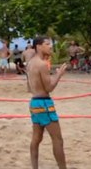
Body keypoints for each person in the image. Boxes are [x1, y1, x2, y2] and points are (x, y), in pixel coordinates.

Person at [26, 36, 67, 169]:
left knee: (36, 138)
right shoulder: (42, 64)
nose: (50, 46)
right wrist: (59, 74)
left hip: (34, 103)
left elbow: (28, 86)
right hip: (44, 103)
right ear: (38, 46)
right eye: (47, 44)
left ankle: (34, 167)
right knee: (57, 139)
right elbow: (49, 87)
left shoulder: (30, 63)